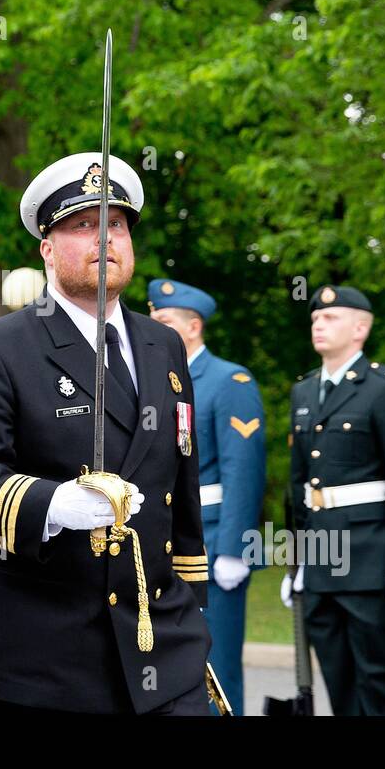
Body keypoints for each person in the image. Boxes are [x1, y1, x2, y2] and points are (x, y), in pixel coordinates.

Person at [0, 153, 211, 715]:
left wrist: (191, 608)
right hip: (44, 653)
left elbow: (180, 490)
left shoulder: (164, 347)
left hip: (160, 640)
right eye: (82, 225)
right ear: (47, 249)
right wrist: (52, 503)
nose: (104, 239)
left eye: (118, 225)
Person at [285, 284, 385, 715]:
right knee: (337, 676)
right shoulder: (304, 391)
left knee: (379, 674)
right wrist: (297, 562)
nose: (319, 325)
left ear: (361, 328)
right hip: (321, 557)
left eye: (330, 318)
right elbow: (299, 488)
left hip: (370, 555)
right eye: (314, 319)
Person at [148, 278, 264, 716]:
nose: (154, 329)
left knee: (216, 667)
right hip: (166, 545)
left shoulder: (227, 380)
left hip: (215, 544)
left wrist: (235, 548)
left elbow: (243, 471)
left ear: (192, 327)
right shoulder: (159, 381)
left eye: (164, 321)